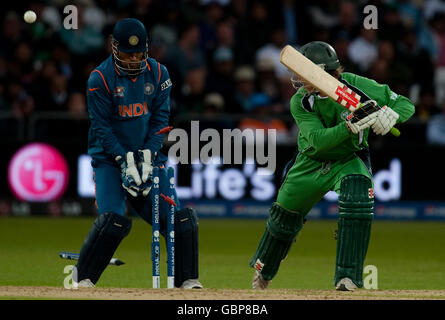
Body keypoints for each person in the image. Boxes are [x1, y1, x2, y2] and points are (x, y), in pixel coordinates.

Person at [249, 41, 415, 291]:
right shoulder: (300, 101)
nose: (298, 78)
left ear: (320, 72)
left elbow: (405, 104)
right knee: (283, 219)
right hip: (310, 161)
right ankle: (264, 271)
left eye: (304, 73)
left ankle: (347, 278)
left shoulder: (357, 85)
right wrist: (349, 125)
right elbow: (318, 142)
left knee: (358, 198)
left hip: (349, 158)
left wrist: (392, 116)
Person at [75, 18, 202, 289]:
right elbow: (101, 127)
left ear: (146, 48)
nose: (133, 60)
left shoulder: (158, 74)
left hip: (149, 158)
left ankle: (187, 282)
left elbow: (161, 120)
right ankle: (82, 279)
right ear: (113, 47)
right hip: (109, 160)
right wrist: (123, 159)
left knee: (176, 220)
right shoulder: (100, 79)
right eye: (126, 53)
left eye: (138, 53)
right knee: (113, 221)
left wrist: (146, 154)